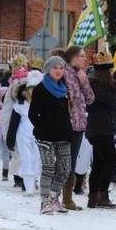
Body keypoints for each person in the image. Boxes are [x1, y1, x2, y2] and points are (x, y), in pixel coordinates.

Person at [29, 56, 73, 215]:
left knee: (65, 168)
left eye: (61, 68)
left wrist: (69, 130)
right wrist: (42, 128)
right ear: (48, 69)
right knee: (48, 168)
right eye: (55, 68)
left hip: (63, 135)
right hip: (45, 136)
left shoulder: (64, 88)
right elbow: (33, 114)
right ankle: (45, 202)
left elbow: (66, 113)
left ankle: (55, 198)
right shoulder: (41, 89)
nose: (58, 71)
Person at [85, 52, 116, 209]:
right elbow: (112, 99)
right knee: (111, 162)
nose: (112, 73)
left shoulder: (101, 85)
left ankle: (93, 196)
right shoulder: (95, 85)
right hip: (100, 129)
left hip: (104, 128)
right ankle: (102, 196)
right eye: (110, 71)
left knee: (99, 164)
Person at [57, 46, 95, 211]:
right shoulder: (63, 74)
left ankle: (67, 198)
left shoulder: (81, 75)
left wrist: (84, 82)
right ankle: (53, 197)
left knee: (71, 162)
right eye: (81, 56)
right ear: (72, 58)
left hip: (79, 126)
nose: (85, 58)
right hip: (65, 125)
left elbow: (91, 99)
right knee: (62, 161)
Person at [5, 74, 42, 196]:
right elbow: (13, 124)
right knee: (27, 159)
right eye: (31, 89)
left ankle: (36, 181)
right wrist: (10, 141)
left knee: (37, 159)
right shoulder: (19, 106)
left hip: (38, 136)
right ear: (26, 91)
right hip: (23, 136)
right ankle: (28, 186)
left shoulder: (43, 105)